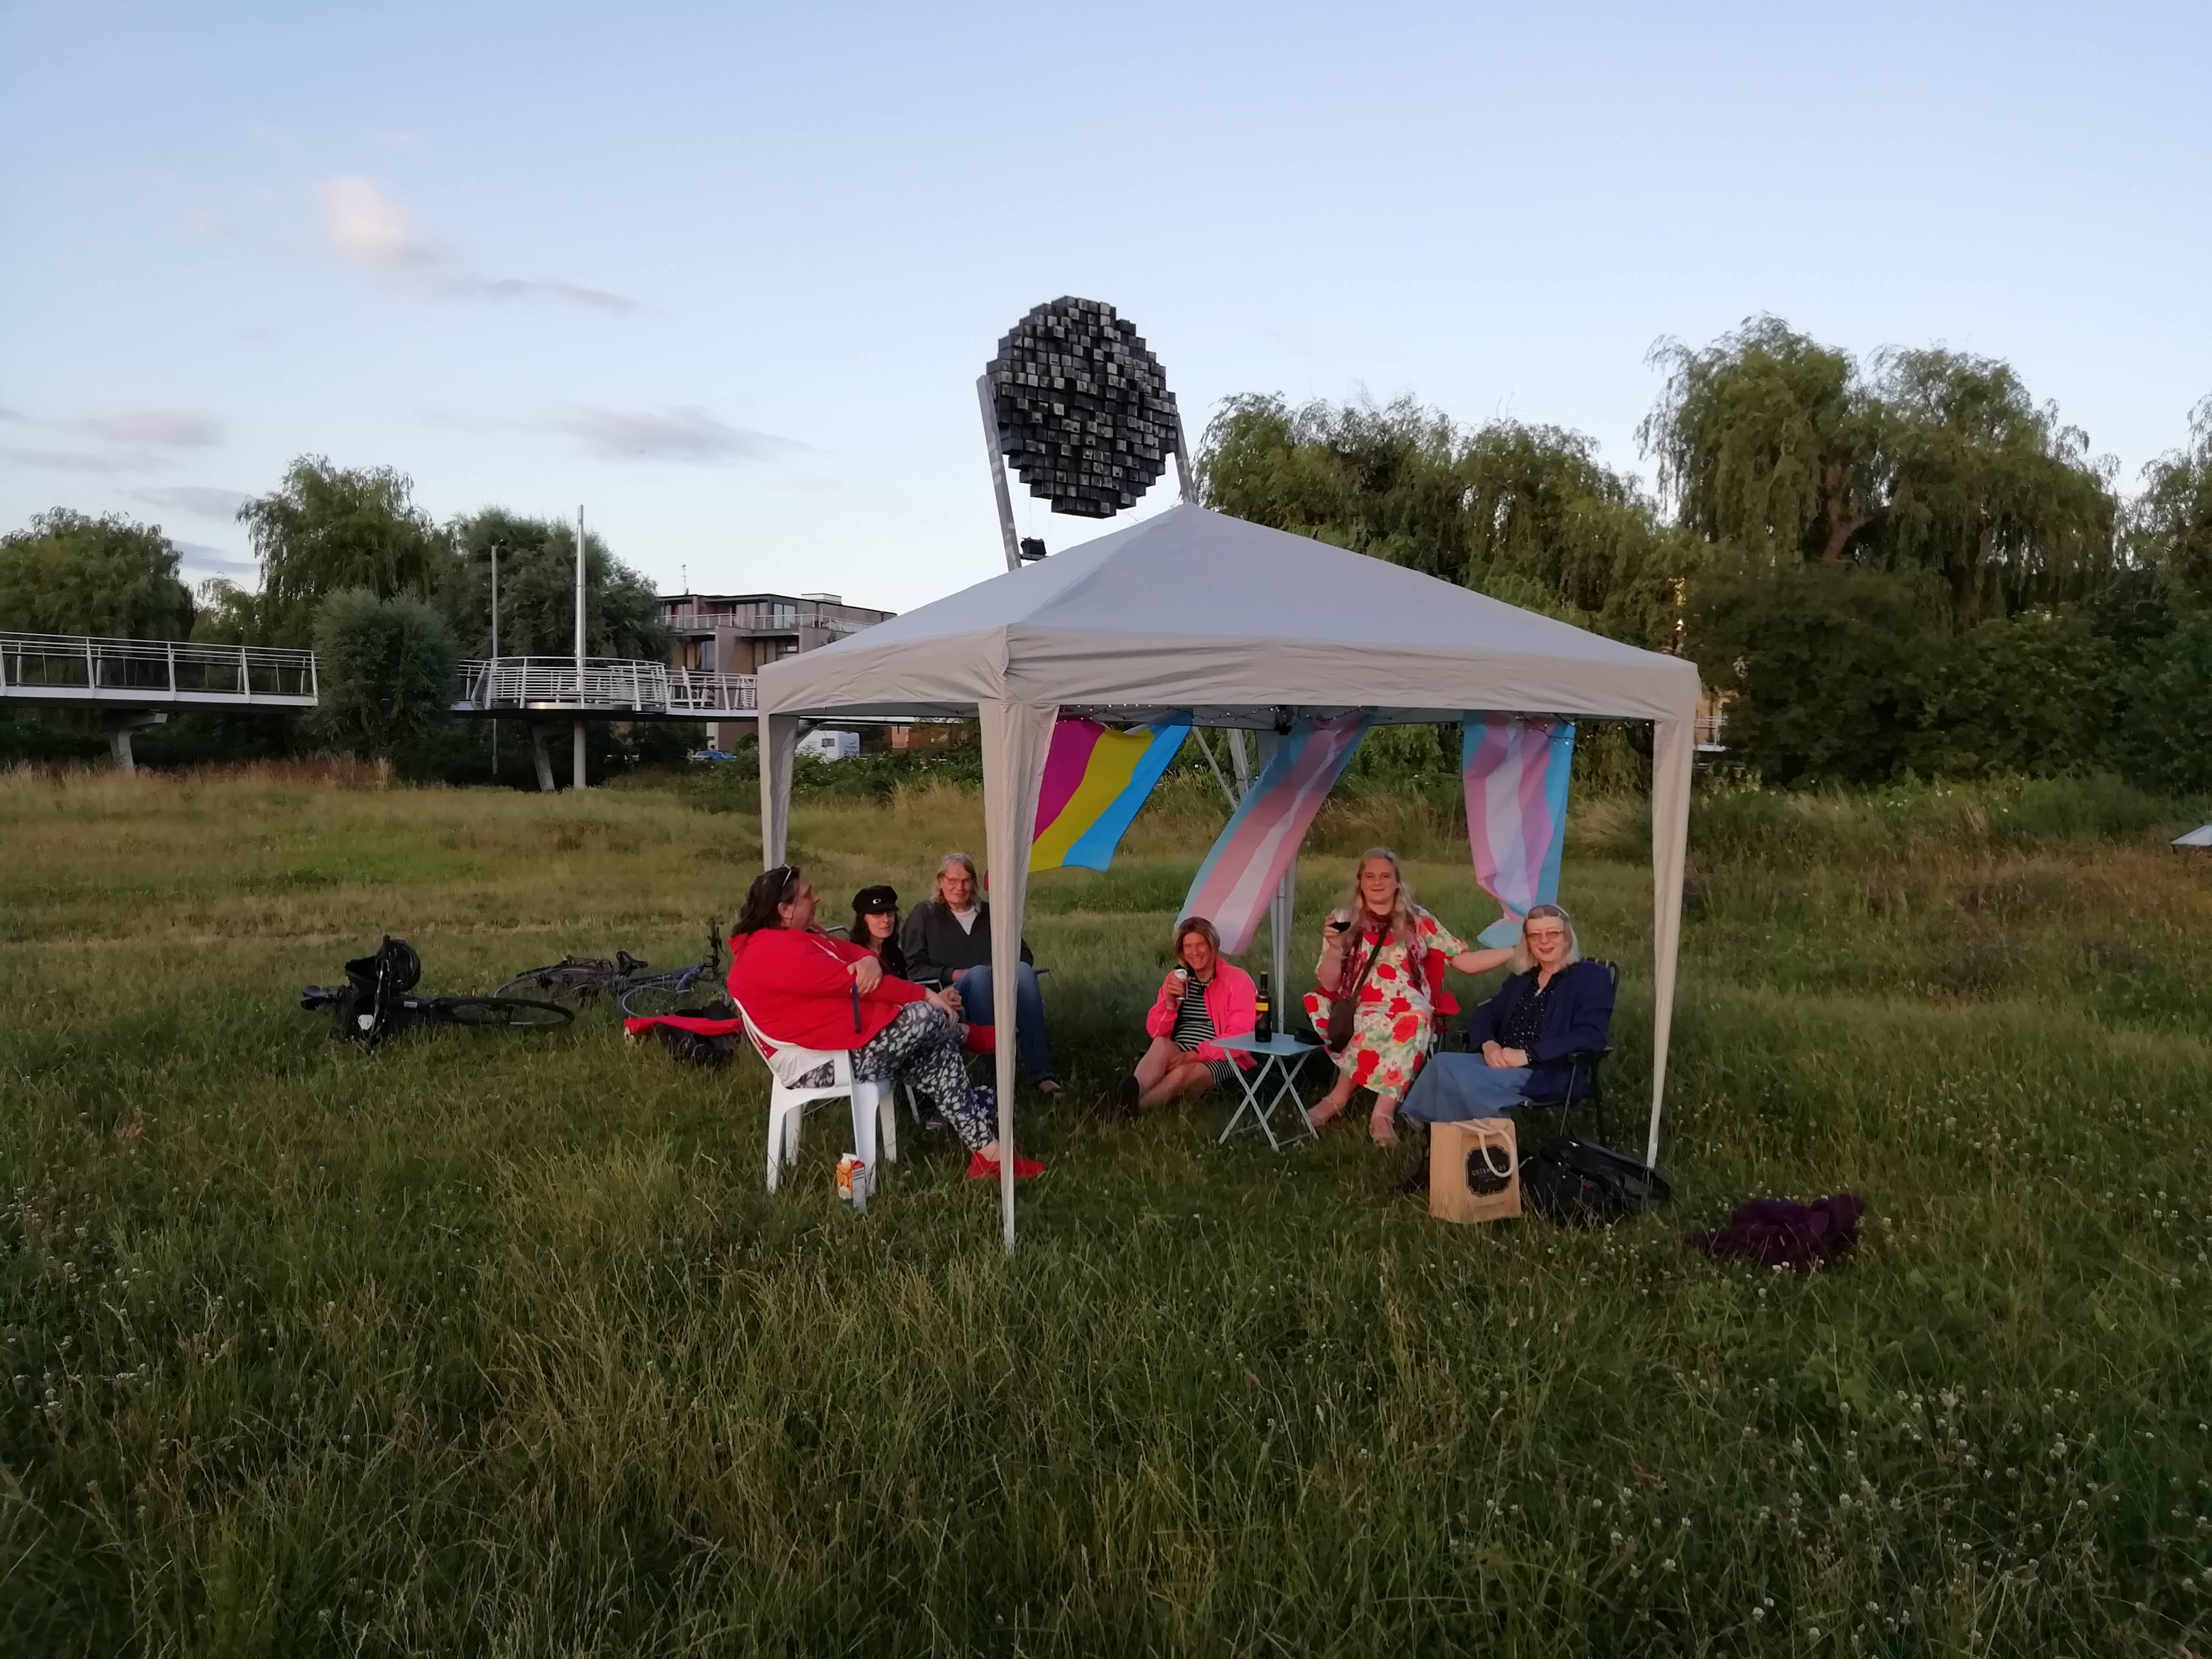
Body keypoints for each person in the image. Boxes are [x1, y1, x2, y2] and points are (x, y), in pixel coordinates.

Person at [727, 864, 1043, 1180]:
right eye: (808, 894)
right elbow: (857, 987)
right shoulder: (773, 953)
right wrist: (922, 994)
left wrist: (865, 959)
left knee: (937, 1054)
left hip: (837, 1043)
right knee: (927, 1015)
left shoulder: (796, 936)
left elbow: (848, 950)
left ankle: (990, 1154)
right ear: (785, 909)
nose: (817, 897)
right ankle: (964, 1033)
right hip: (815, 1063)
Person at [1302, 847, 1514, 1145]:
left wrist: (1515, 952)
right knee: (1370, 1019)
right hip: (1359, 1000)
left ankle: (1382, 1113)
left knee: (1413, 1019)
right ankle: (1338, 1097)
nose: (1378, 882)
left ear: (1397, 882)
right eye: (1370, 876)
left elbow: (1464, 962)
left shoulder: (1418, 921)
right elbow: (1330, 982)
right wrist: (1336, 948)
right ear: (1360, 882)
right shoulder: (1342, 919)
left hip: (1409, 1000)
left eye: (1385, 876)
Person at [1398, 903, 1614, 1128]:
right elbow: (1485, 1014)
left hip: (1547, 1070)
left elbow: (1591, 1036)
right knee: (1441, 1063)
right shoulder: (1524, 978)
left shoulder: (1590, 976)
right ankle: (1444, 1134)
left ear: (1567, 936)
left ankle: (1493, 1148)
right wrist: (1489, 1045)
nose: (1544, 941)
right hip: (1502, 1060)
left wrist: (1528, 1055)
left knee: (1468, 1082)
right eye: (1535, 935)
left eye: (1553, 933)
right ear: (1527, 941)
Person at [900, 851, 1061, 1095]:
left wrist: (1001, 972)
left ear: (973, 883)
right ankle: (998, 1071)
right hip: (951, 992)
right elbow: (914, 968)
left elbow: (1024, 954)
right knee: (979, 976)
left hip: (1000, 983)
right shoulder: (925, 914)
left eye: (965, 880)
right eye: (953, 881)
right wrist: (955, 975)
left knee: (1024, 972)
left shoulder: (989, 913)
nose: (959, 887)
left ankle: (1041, 1074)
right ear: (941, 881)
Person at [1109, 916, 1257, 1118]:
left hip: (1224, 1057)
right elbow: (1155, 1031)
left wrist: (1194, 1055)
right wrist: (1170, 1004)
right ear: (1182, 951)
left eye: (1201, 945)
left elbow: (1239, 1037)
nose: (1194, 952)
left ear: (1213, 946)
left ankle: (1131, 1111)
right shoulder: (1176, 979)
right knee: (1161, 1044)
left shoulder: (1238, 981)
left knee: (1181, 1074)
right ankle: (1132, 1091)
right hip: (1180, 1047)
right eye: (1188, 946)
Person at [849, 884, 910, 980]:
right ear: (863, 919)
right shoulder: (853, 957)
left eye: (890, 913)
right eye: (878, 914)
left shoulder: (894, 951)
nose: (886, 920)